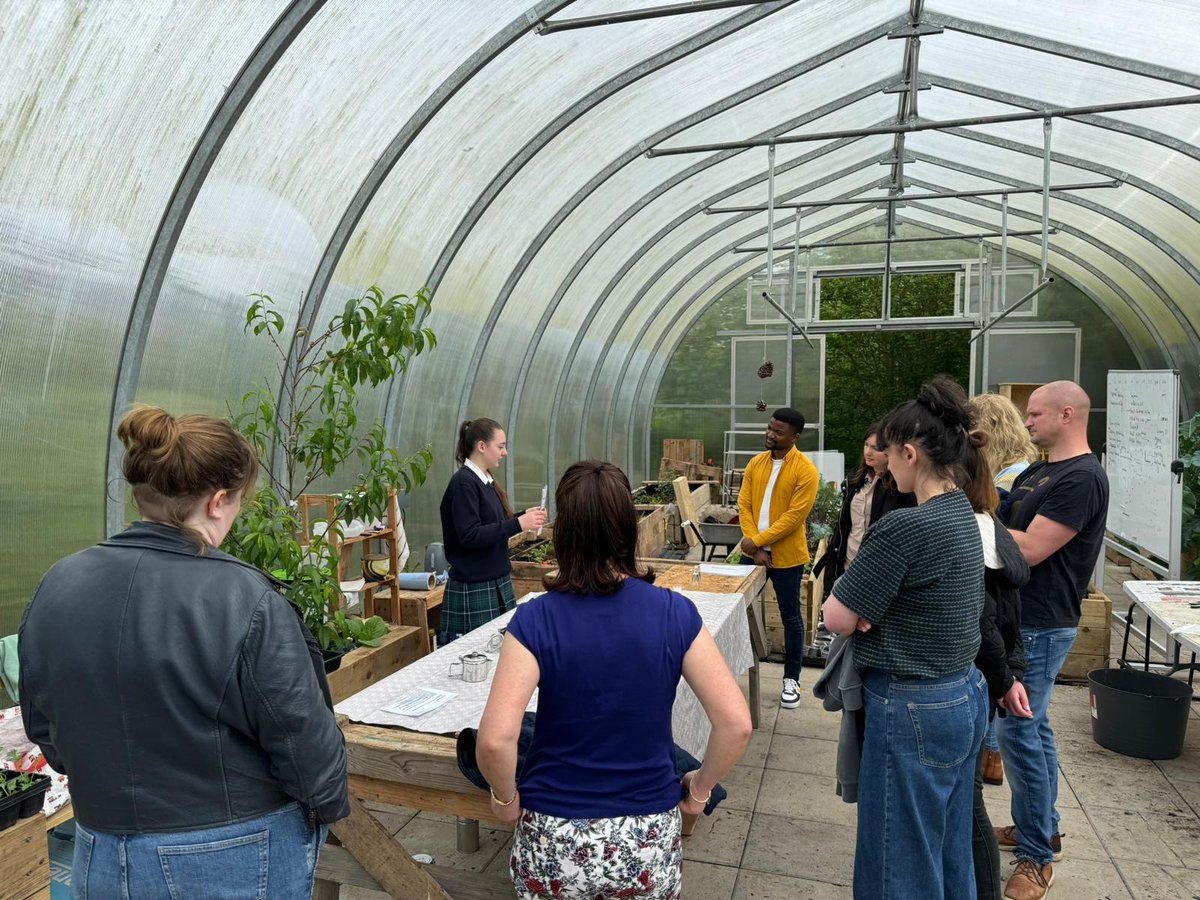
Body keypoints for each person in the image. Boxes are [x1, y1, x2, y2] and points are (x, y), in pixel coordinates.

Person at [19, 406, 348, 899]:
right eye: (239, 502)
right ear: (218, 502)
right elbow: (305, 747)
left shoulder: (57, 584)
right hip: (232, 851)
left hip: (100, 848)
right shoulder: (247, 599)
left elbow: (45, 728)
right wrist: (324, 811)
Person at [476, 461, 752, 899]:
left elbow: (494, 741)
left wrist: (505, 800)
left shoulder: (535, 619)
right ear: (629, 526)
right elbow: (736, 724)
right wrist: (697, 795)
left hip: (554, 838)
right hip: (646, 839)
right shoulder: (674, 613)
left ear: (564, 533)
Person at [823, 377, 989, 900]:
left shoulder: (905, 528)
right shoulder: (963, 510)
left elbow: (835, 616)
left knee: (897, 860)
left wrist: (868, 609)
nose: (885, 464)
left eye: (889, 453)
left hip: (913, 705)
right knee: (945, 848)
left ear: (911, 453)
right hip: (963, 694)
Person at [994, 382, 1110, 900]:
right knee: (1033, 728)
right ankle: (1042, 826)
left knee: (1017, 729)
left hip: (1040, 621)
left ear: (1068, 414)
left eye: (1036, 413)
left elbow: (1031, 549)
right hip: (1019, 615)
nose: (1027, 421)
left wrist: (962, 527)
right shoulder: (1039, 470)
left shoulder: (1082, 477)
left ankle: (1036, 858)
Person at [962, 430, 1033, 900]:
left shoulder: (971, 531)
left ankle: (981, 887)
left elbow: (985, 618)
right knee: (966, 799)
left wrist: (1005, 678)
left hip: (976, 678)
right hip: (994, 673)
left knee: (967, 805)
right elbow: (1010, 612)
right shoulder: (992, 524)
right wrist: (1011, 672)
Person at [970, 393, 1039, 787]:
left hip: (1005, 603)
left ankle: (991, 758)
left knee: (1003, 689)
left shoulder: (1007, 479)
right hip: (1006, 603)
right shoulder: (1018, 471)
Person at [736, 407, 820, 709]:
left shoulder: (805, 470)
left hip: (787, 556)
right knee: (737, 609)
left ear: (795, 437)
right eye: (769, 428)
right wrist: (754, 548)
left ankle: (792, 679)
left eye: (778, 432)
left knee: (790, 616)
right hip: (753, 553)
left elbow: (793, 518)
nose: (770, 434)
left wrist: (757, 541)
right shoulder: (756, 464)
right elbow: (743, 504)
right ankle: (733, 670)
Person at [440, 418, 546, 644]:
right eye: (500, 446)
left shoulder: (484, 482)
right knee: (474, 659)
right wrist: (518, 524)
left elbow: (494, 524)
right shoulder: (463, 485)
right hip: (475, 587)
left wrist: (523, 517)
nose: (505, 452)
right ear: (481, 446)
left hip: (495, 583)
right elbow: (470, 535)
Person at [814, 424, 915, 602]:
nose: (868, 452)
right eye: (866, 445)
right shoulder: (855, 480)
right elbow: (845, 526)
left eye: (875, 448)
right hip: (847, 565)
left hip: (876, 573)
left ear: (890, 452)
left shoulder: (901, 489)